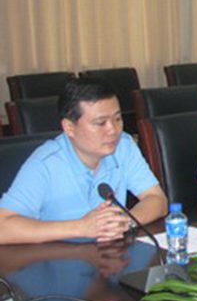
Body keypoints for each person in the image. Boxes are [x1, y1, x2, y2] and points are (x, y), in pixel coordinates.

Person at [0, 78, 167, 245]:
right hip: (59, 255)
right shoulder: (45, 163)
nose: (113, 130)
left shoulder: (123, 146)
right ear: (69, 127)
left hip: (111, 253)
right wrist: (80, 227)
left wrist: (125, 222)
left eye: (117, 119)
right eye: (100, 123)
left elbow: (157, 199)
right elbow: (3, 226)